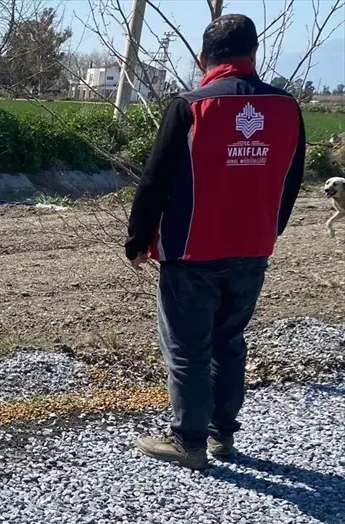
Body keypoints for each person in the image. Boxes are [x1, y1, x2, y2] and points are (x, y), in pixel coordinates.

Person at [125, 14, 305, 470]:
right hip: (253, 249)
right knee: (229, 341)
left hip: (191, 251)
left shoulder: (191, 105)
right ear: (254, 54)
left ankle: (188, 440)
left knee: (187, 346)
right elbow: (292, 179)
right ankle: (223, 435)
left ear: (203, 58)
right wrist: (271, 229)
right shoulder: (287, 107)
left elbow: (155, 180)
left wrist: (138, 238)